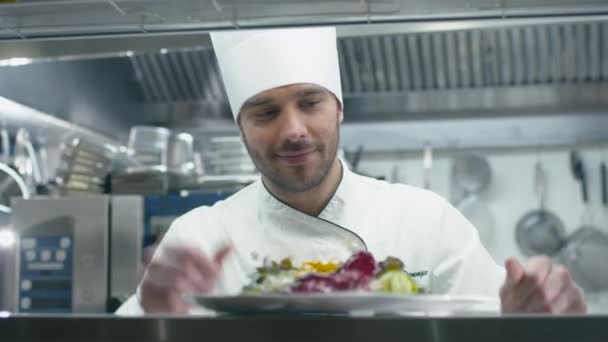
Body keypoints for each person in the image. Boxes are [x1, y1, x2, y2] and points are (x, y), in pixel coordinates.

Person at [116, 26, 586, 315]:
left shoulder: (426, 219)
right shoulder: (199, 234)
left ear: (338, 109)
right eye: (265, 113)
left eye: (310, 102)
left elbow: (500, 325)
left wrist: (532, 316)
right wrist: (153, 319)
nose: (293, 130)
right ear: (240, 128)